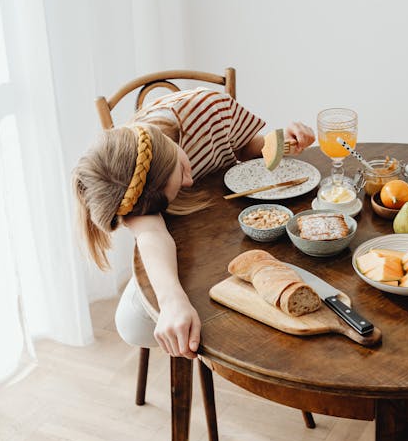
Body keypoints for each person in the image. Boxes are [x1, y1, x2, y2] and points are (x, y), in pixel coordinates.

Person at [72, 87, 315, 358]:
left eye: (181, 169)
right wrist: (172, 302)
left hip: (235, 230)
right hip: (195, 245)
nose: (190, 183)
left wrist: (281, 141)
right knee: (131, 326)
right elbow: (151, 233)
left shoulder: (209, 108)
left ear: (166, 145)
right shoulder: (132, 185)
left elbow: (247, 148)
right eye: (178, 186)